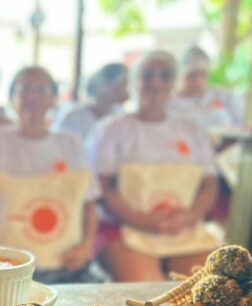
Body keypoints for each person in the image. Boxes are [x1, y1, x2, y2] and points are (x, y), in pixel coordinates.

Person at [87, 50, 220, 281]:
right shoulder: (110, 129)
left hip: (184, 229)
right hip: (124, 227)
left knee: (203, 290)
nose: (155, 83)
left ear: (175, 83)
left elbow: (209, 185)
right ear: (134, 82)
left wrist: (189, 217)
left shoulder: (192, 131)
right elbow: (102, 188)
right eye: (148, 75)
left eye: (165, 75)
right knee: (147, 294)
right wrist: (141, 219)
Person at [0, 66, 101, 284]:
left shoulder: (71, 143)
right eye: (25, 90)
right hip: (6, 270)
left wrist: (85, 247)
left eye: (41, 90)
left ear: (54, 100)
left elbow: (90, 203)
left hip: (66, 266)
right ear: (12, 100)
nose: (32, 97)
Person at [169, 46, 243, 128]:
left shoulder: (224, 96)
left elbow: (241, 125)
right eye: (192, 76)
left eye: (202, 75)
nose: (197, 81)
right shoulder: (169, 102)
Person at [54, 63, 129, 141]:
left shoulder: (120, 115)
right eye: (124, 84)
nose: (127, 90)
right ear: (108, 85)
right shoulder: (74, 116)